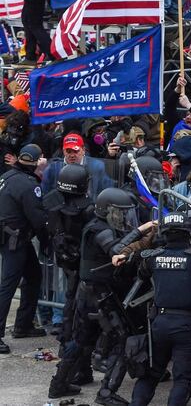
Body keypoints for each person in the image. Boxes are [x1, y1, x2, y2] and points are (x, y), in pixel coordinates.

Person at [49, 187, 154, 406]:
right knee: (123, 338)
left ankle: (58, 384)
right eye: (120, 213)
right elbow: (116, 250)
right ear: (107, 211)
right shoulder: (99, 228)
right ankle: (106, 392)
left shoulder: (98, 226)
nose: (125, 218)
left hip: (89, 292)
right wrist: (142, 230)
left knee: (80, 339)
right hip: (100, 295)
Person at [129, 212, 191, 406]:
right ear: (189, 232)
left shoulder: (153, 257)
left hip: (159, 323)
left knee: (150, 374)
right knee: (183, 378)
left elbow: (142, 274)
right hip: (188, 325)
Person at [43, 164, 95, 392]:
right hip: (84, 270)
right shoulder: (87, 211)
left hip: (69, 266)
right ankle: (65, 377)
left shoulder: (54, 205)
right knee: (81, 323)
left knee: (73, 315)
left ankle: (82, 370)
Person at [0, 144, 48, 355]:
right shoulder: (28, 185)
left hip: (12, 236)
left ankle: (23, 324)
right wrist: (48, 241)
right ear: (38, 161)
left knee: (34, 275)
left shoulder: (8, 176)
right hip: (15, 240)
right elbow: (38, 219)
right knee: (8, 287)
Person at [41, 133, 114, 200]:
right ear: (63, 151)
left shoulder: (97, 167)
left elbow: (107, 191)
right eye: (69, 151)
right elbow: (45, 194)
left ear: (83, 150)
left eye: (76, 151)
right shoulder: (53, 169)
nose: (72, 155)